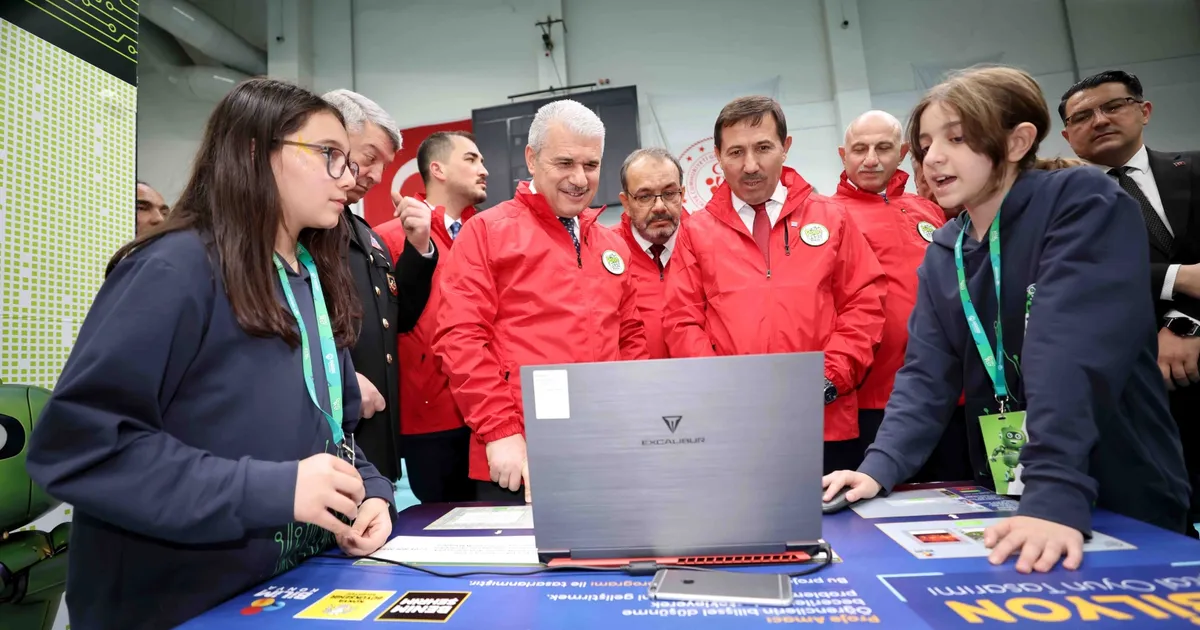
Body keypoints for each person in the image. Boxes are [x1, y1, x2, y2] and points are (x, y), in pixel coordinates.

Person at [26, 78, 395, 629]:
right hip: (175, 604)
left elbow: (332, 430)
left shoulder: (311, 279)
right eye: (328, 154)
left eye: (348, 159)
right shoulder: (175, 268)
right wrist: (271, 489)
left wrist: (370, 493)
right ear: (254, 152)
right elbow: (81, 447)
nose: (348, 177)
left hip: (286, 589)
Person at [823, 66, 1191, 574]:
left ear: (1017, 141)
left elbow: (1070, 350)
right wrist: (879, 467)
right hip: (1013, 493)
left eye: (956, 138)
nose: (933, 157)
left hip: (1112, 482)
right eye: (926, 144)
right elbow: (927, 373)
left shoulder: (1081, 201)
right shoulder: (946, 248)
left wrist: (1054, 488)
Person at [433, 99, 649, 502]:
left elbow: (631, 338)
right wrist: (500, 431)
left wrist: (636, 419)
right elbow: (460, 338)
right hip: (521, 456)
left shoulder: (610, 244)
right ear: (532, 159)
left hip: (607, 448)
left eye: (591, 165)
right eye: (564, 163)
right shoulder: (486, 232)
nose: (580, 178)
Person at [662, 96, 886, 474]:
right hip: (731, 425)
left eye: (763, 148)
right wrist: (722, 385)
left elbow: (864, 305)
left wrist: (828, 378)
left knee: (831, 513)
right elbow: (681, 320)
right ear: (718, 156)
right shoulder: (695, 231)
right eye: (736, 152)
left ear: (785, 147)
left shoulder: (833, 218)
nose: (750, 165)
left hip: (824, 421)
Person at [1058, 70, 1200, 532]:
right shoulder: (1057, 200)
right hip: (1125, 386)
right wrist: (1177, 278)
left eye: (1113, 106)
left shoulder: (1194, 170)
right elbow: (1078, 273)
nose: (1099, 120)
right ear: (1067, 136)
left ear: (1144, 111)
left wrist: (1184, 324)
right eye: (1082, 116)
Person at [832, 110, 968, 477]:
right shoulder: (827, 215)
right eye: (859, 149)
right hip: (874, 395)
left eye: (883, 148)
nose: (871, 159)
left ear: (903, 152)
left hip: (950, 389)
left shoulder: (930, 211)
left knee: (959, 494)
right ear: (843, 155)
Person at [322, 89, 436, 484]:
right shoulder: (305, 230)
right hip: (332, 435)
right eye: (370, 158)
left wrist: (419, 249)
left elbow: (397, 319)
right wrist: (341, 378)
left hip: (376, 437)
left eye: (384, 166)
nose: (375, 176)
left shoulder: (365, 235)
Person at [376, 131, 488, 503]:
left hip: (488, 414)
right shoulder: (390, 239)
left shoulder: (486, 236)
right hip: (431, 422)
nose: (483, 169)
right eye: (471, 159)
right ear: (437, 169)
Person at [613, 147, 688, 359]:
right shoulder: (604, 252)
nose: (659, 207)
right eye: (645, 196)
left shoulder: (706, 243)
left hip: (702, 376)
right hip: (633, 377)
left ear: (682, 194)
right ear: (626, 203)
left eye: (669, 193)